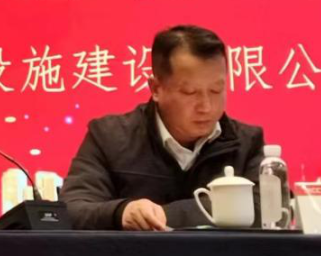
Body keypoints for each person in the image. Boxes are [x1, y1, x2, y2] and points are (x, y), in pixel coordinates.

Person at [61, 25, 264, 230]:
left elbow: (264, 209)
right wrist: (121, 212)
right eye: (189, 92)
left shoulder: (247, 143)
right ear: (156, 88)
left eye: (216, 90)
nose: (206, 106)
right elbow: (72, 209)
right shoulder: (109, 137)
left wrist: (161, 216)